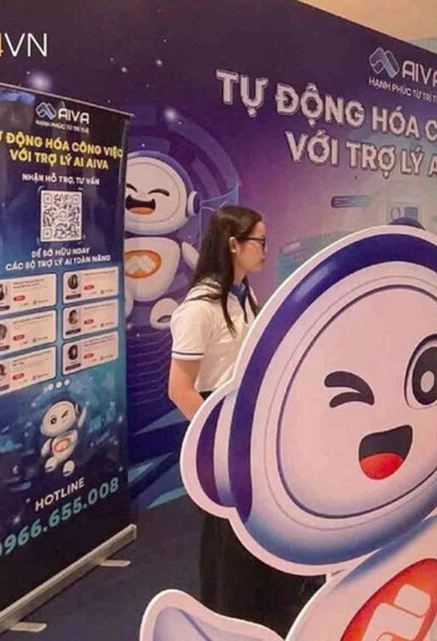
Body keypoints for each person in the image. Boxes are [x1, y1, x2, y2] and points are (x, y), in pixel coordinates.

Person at [167, 206, 322, 635]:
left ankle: (267, 619)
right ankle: (228, 623)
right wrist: (219, 438)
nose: (265, 250)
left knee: (258, 534)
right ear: (233, 244)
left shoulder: (244, 295)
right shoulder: (199, 309)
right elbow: (179, 388)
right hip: (223, 436)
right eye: (259, 242)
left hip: (252, 431)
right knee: (228, 544)